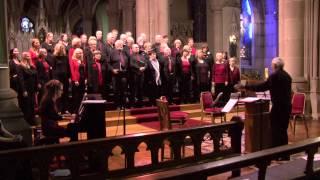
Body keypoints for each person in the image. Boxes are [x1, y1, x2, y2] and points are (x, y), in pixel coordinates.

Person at [235, 57, 292, 149]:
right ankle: (284, 154)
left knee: (276, 130)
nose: (271, 66)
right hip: (287, 106)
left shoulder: (274, 75)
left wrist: (245, 86)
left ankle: (276, 152)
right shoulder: (287, 76)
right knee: (283, 130)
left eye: (272, 65)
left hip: (278, 107)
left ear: (275, 65)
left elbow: (262, 86)